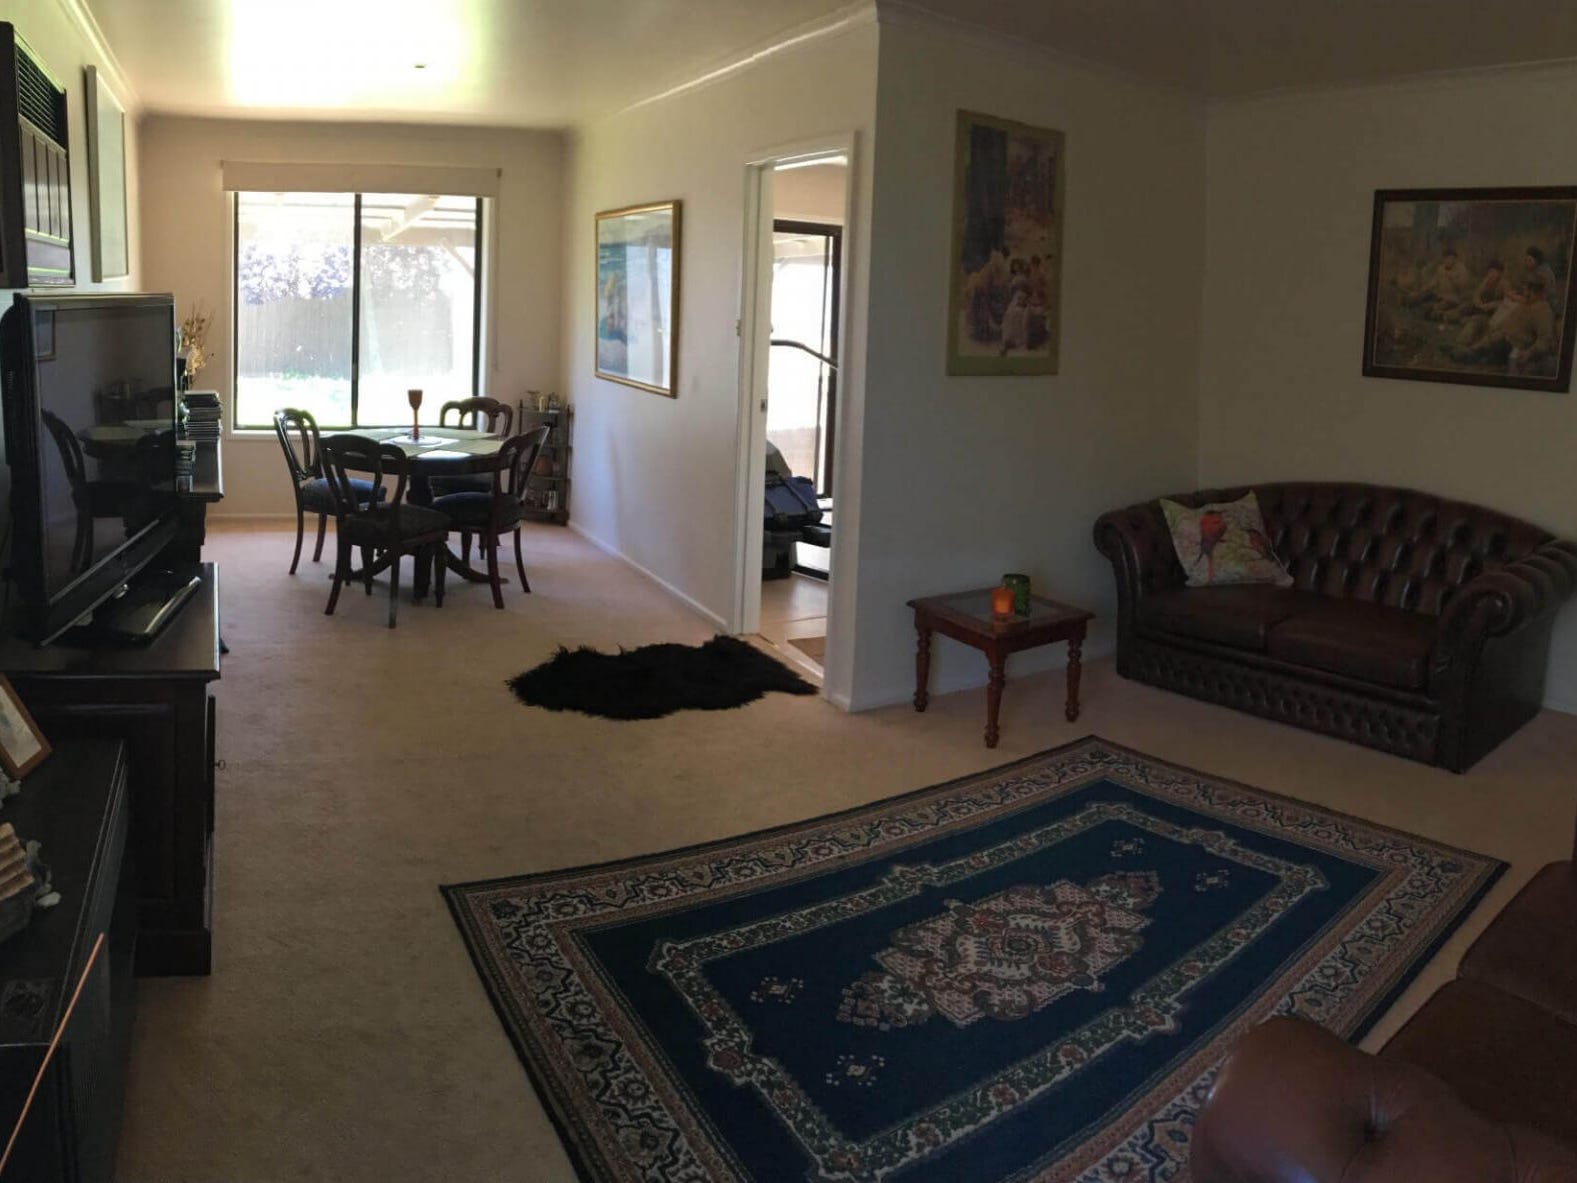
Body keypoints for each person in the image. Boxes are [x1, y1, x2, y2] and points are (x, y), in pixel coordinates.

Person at [1523, 245, 1561, 316]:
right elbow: (1530, 285)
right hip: (1540, 300)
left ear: (1537, 260)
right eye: (1526, 260)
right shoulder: (1534, 271)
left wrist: (1534, 298)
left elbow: (1547, 290)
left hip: (1549, 303)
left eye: (1530, 260)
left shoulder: (1543, 271)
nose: (1527, 263)